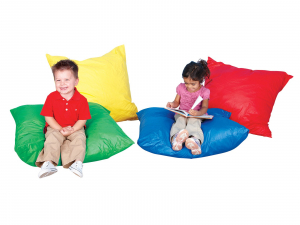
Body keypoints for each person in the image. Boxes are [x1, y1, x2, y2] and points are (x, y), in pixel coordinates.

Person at [36, 59, 91, 178]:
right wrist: (60, 128)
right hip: (56, 127)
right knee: (52, 139)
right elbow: (48, 117)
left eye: (67, 79)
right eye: (58, 80)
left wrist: (72, 129)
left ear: (76, 81)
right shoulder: (51, 97)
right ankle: (49, 163)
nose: (62, 83)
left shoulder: (82, 100)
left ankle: (77, 163)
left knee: (80, 140)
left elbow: (82, 119)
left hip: (75, 128)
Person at [166, 59, 210, 155]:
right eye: (186, 83)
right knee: (180, 121)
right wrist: (172, 105)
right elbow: (176, 102)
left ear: (200, 80)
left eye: (193, 84)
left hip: (196, 114)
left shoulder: (204, 92)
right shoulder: (181, 88)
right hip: (182, 113)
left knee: (194, 122)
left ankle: (194, 140)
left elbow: (205, 107)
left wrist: (198, 113)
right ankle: (176, 139)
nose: (189, 86)